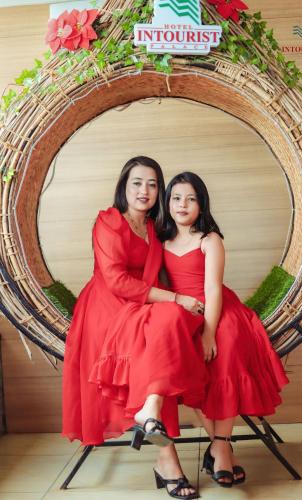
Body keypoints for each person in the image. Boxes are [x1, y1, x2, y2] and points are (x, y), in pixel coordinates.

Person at [62, 157, 207, 499]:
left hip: (143, 304)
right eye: (137, 183)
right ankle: (167, 460)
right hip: (109, 308)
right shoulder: (108, 222)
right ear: (124, 186)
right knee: (161, 334)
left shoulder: (157, 227)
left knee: (166, 335)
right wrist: (175, 298)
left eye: (153, 184)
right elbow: (115, 281)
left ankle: (152, 414)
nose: (145, 191)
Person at [162, 171, 289, 488]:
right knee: (187, 361)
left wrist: (208, 332)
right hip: (180, 311)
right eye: (176, 198)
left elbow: (213, 290)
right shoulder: (160, 240)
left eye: (191, 199)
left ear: (202, 205)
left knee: (226, 347)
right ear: (167, 203)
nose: (183, 204)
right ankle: (222, 449)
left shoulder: (209, 240)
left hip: (216, 308)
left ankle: (219, 447)